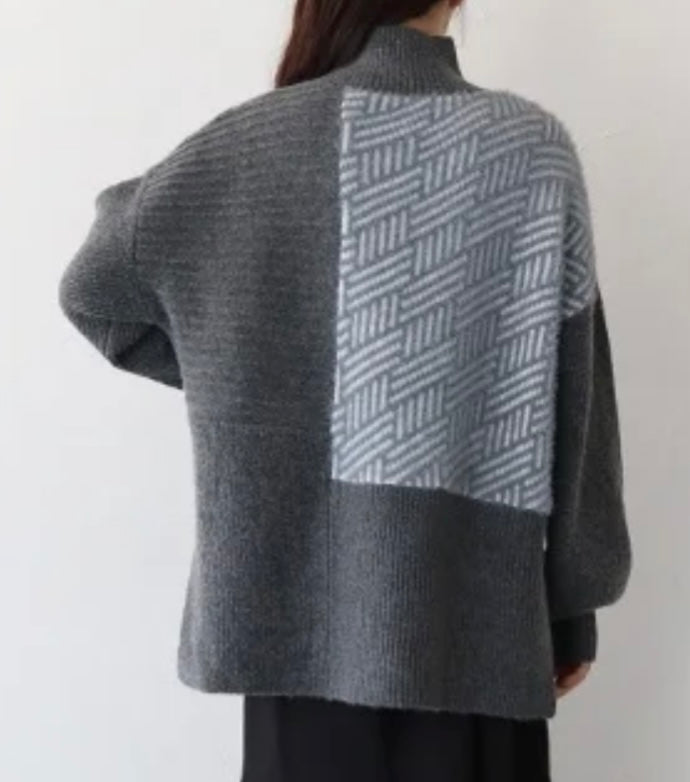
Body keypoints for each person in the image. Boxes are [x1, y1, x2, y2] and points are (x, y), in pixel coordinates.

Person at [57, 0, 633, 779]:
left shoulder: (247, 145)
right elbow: (579, 409)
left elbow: (94, 290)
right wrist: (573, 609)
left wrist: (248, 376)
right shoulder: (530, 152)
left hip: (294, 656)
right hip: (476, 637)